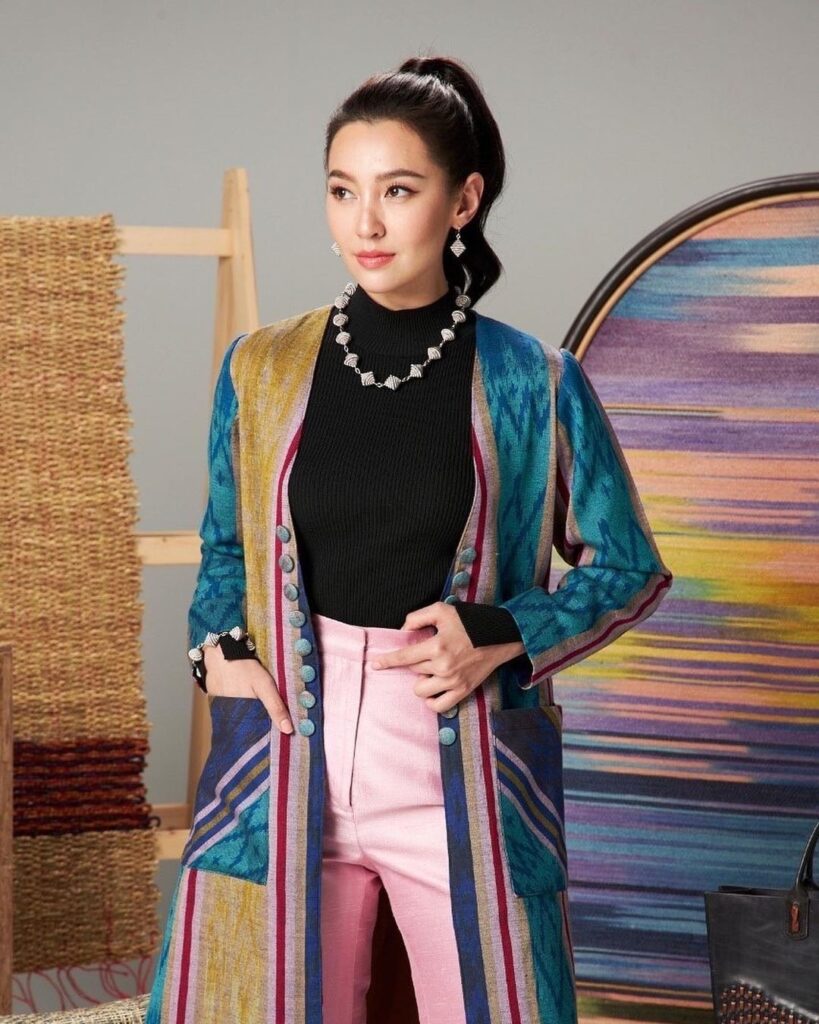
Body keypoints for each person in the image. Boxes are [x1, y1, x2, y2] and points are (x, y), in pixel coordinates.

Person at [146, 54, 673, 1024]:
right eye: (342, 190)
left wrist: (503, 631)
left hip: (454, 755)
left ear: (462, 200)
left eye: (398, 190)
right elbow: (226, 550)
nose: (366, 223)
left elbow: (630, 569)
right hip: (284, 756)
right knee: (255, 1001)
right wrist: (216, 652)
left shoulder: (533, 381)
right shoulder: (260, 369)